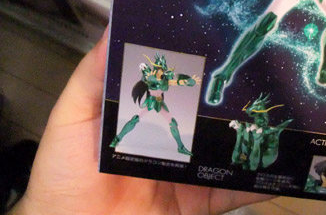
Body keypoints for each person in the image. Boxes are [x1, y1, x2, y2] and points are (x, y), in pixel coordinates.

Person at [8, 30, 270, 215]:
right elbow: (153, 77)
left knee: (172, 124)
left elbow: (176, 80)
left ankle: (176, 146)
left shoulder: (162, 76)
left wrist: (189, 80)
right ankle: (119, 138)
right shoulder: (153, 76)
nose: (161, 70)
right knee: (136, 120)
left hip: (160, 104)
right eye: (159, 67)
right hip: (151, 102)